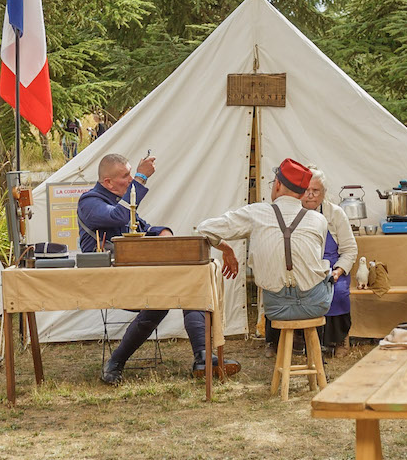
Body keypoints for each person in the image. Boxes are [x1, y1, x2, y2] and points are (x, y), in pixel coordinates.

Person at [78, 153, 240, 383]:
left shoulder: (118, 202)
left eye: (132, 174)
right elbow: (119, 216)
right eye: (126, 176)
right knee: (166, 299)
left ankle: (202, 357)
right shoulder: (90, 202)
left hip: (134, 276)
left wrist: (163, 233)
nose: (131, 179)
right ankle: (116, 362)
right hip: (107, 280)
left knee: (186, 288)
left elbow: (144, 228)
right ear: (108, 183)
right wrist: (142, 177)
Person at [198, 158, 333, 334]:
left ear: (277, 184)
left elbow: (204, 229)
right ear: (302, 194)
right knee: (325, 273)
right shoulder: (319, 220)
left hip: (276, 308)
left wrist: (227, 249)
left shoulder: (255, 213)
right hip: (315, 305)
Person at [263, 167, 357, 358]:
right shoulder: (288, 212)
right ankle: (279, 340)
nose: (311, 195)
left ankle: (338, 338)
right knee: (278, 289)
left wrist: (338, 270)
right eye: (307, 190)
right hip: (296, 268)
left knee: (337, 292)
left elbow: (349, 249)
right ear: (299, 191)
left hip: (329, 268)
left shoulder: (335, 213)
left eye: (317, 191)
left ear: (324, 194)